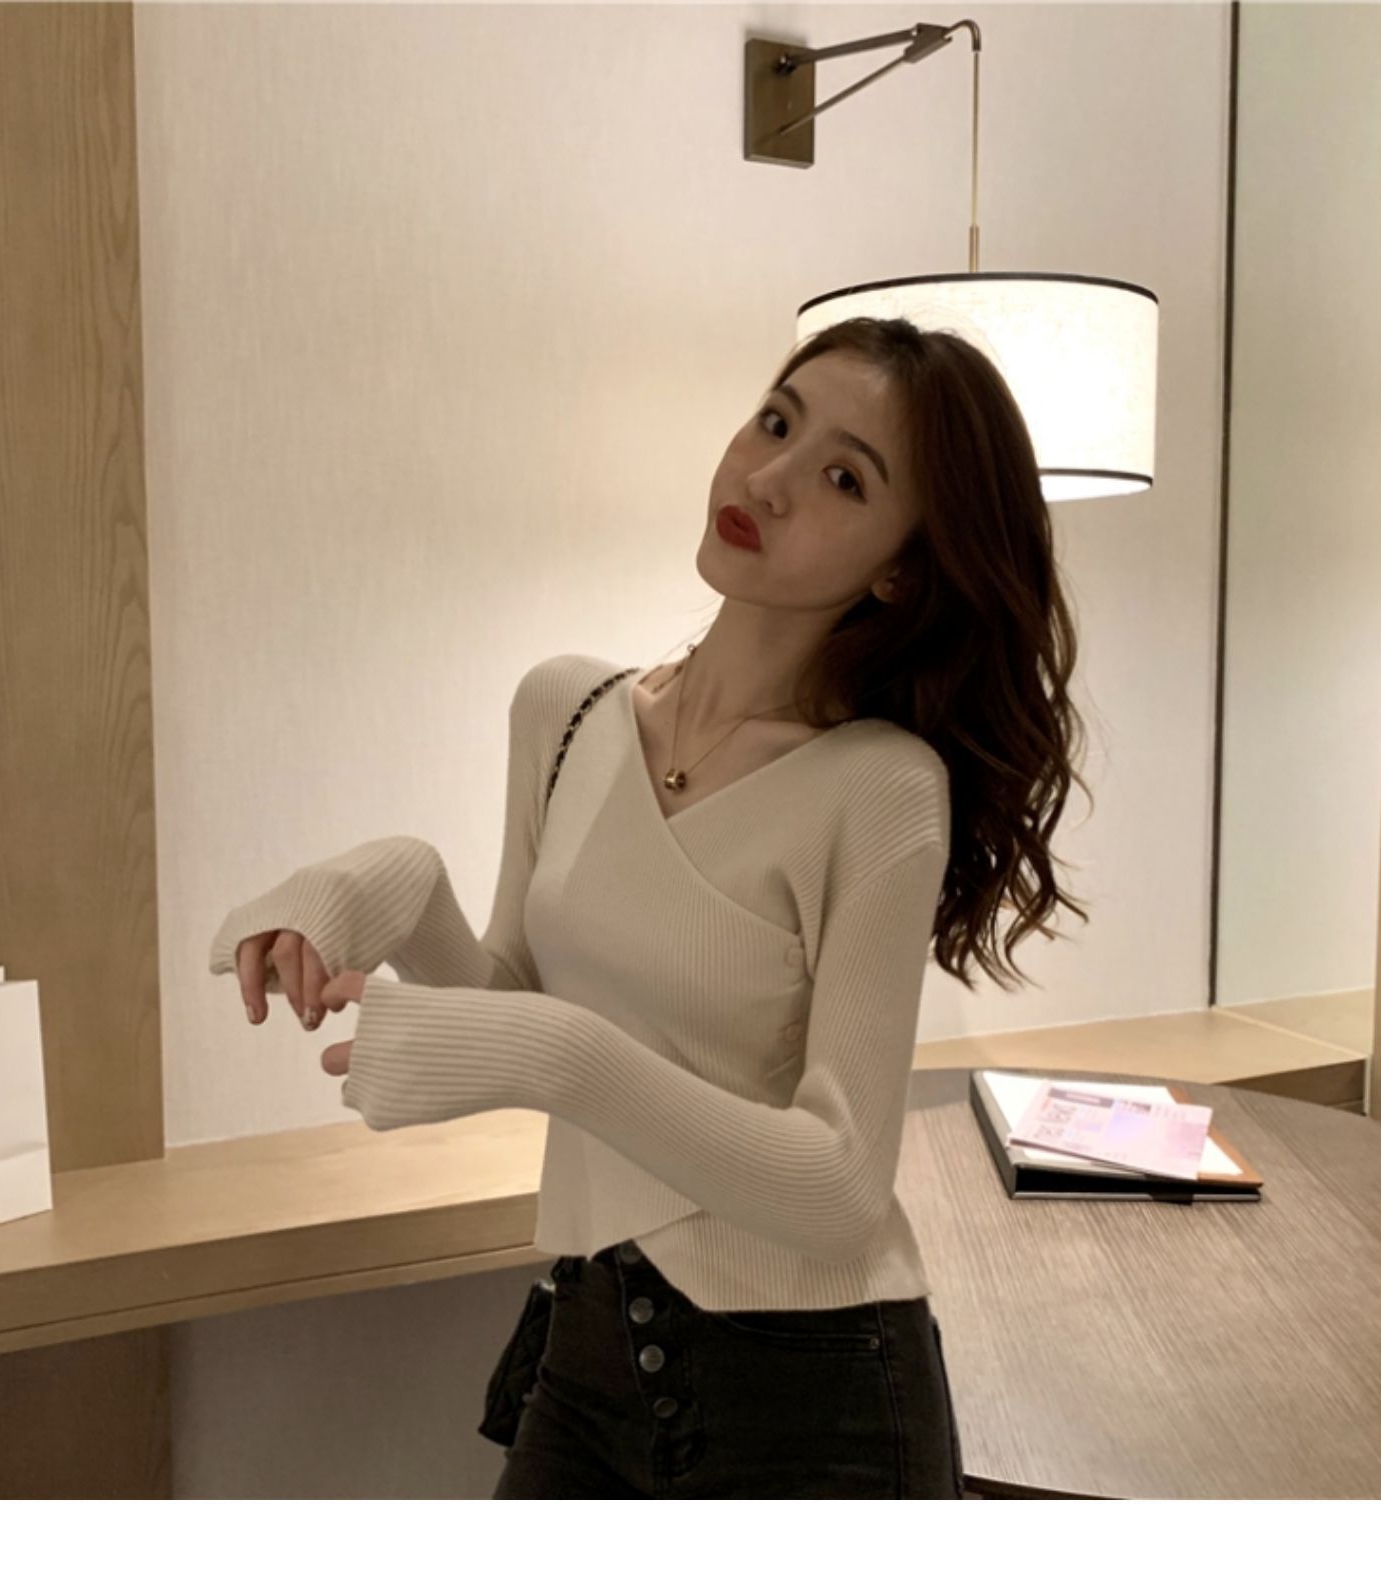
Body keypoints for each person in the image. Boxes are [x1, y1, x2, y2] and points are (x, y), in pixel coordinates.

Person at [209, 315, 1093, 1498]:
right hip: (593, 1340)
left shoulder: (881, 787)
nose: (768, 479)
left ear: (902, 568)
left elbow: (838, 1184)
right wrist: (395, 886)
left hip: (814, 1391)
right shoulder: (567, 711)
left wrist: (562, 1055)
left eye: (843, 478)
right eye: (775, 422)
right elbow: (514, 994)